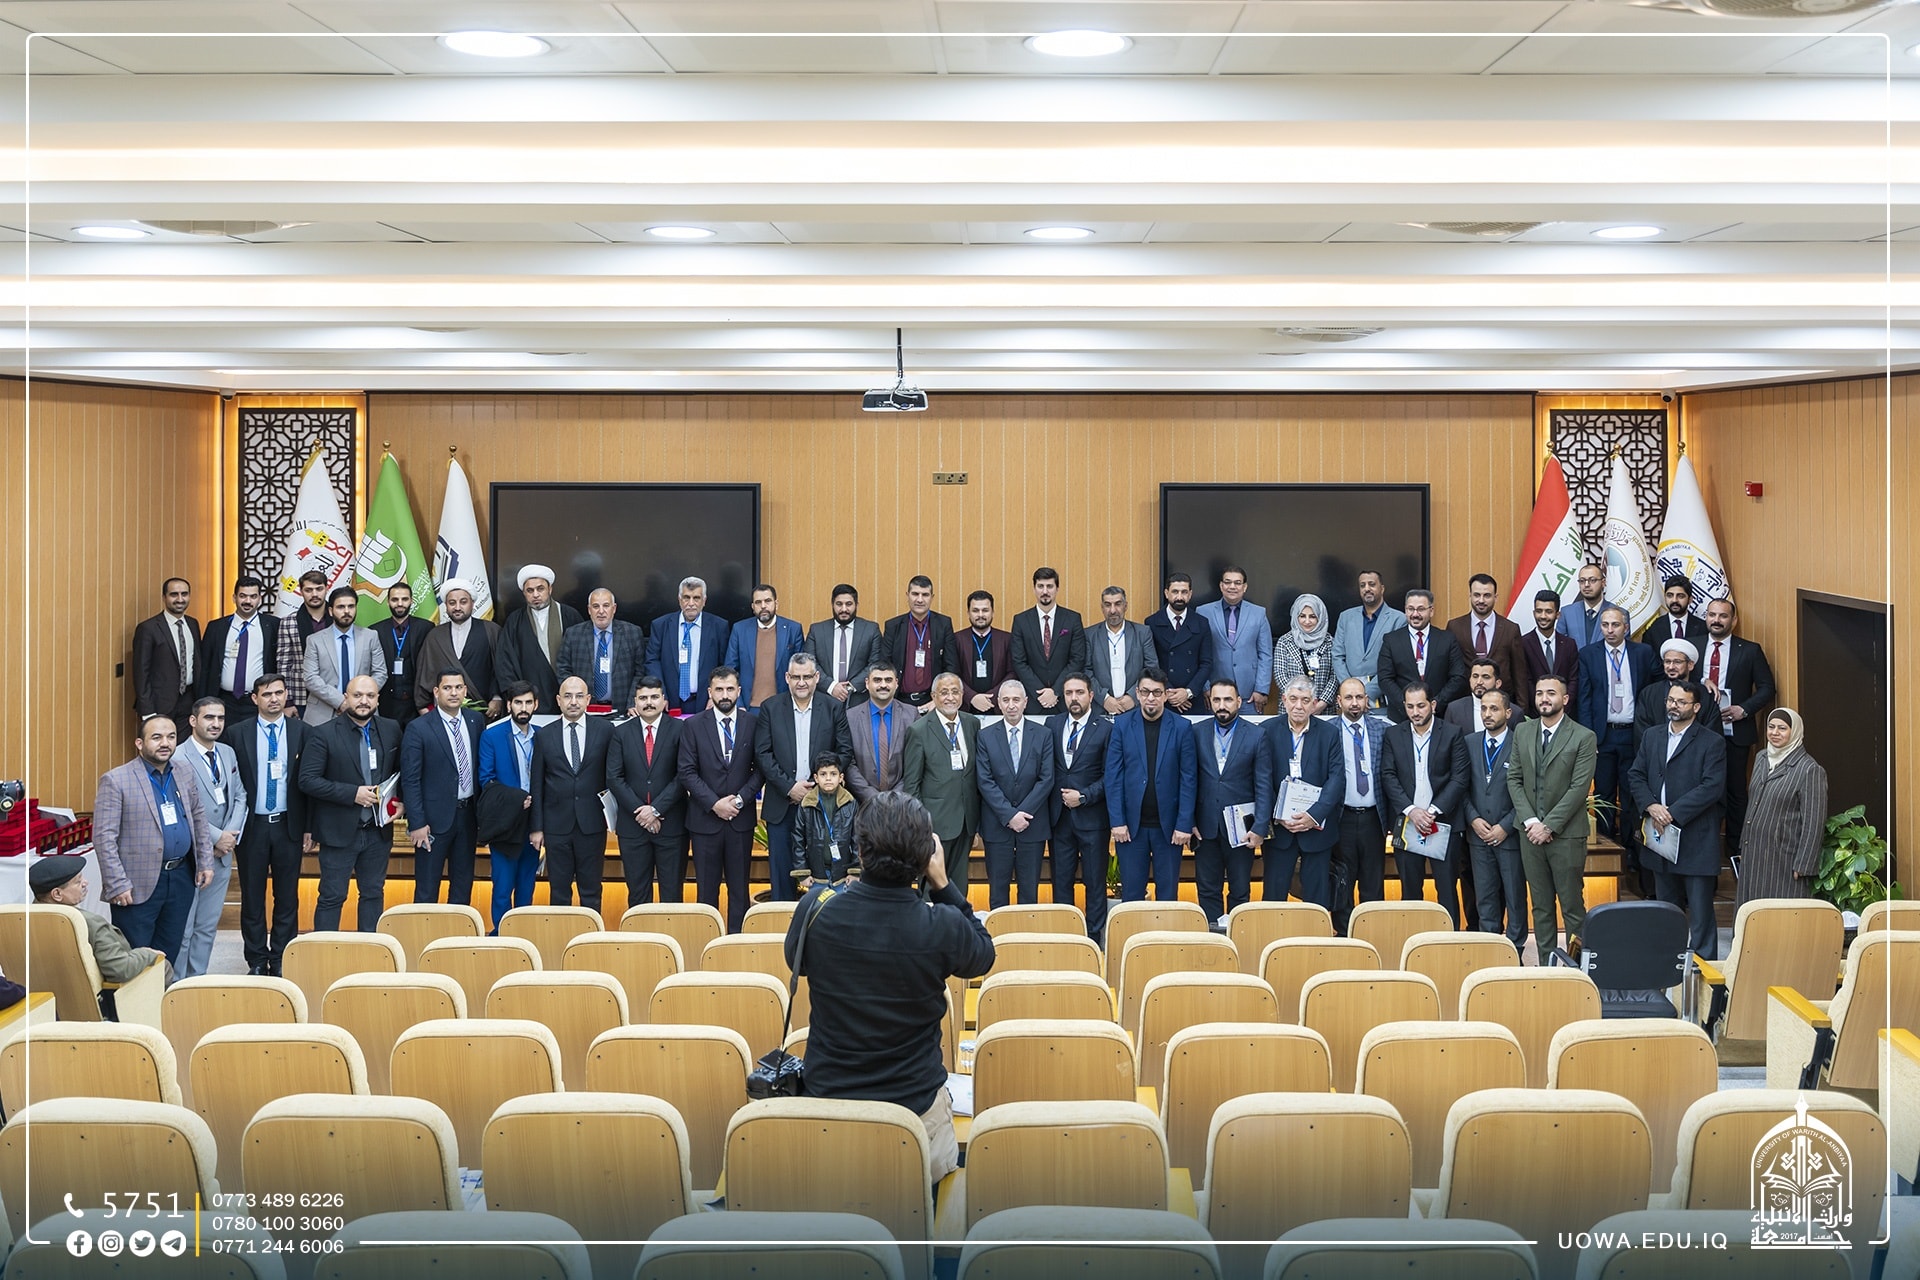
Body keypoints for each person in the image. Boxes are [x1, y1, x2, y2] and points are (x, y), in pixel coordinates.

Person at [786, 791, 995, 1185]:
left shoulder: (816, 909)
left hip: (828, 1110)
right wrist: (943, 882)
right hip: (915, 1116)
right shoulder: (941, 925)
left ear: (861, 852)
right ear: (925, 855)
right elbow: (982, 955)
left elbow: (798, 961)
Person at [93, 715, 215, 961]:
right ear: (139, 743)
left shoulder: (183, 772)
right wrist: (117, 883)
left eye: (171, 737)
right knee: (135, 957)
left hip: (181, 877)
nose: (165, 743)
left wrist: (205, 861)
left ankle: (163, 988)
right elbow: (104, 838)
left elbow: (198, 818)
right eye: (156, 737)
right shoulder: (116, 780)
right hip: (136, 883)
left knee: (169, 953)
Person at [1628, 681, 1728, 960]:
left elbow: (1712, 787)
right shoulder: (1652, 736)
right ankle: (1667, 960)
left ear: (1696, 707)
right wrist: (1651, 806)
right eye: (1670, 700)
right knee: (1666, 908)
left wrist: (1671, 812)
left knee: (1700, 910)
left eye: (1681, 702)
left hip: (1695, 837)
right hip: (1660, 837)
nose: (1673, 706)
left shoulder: (1711, 741)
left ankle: (1704, 966)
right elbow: (1636, 774)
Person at [222, 672, 310, 974]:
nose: (274, 699)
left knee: (287, 896)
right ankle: (257, 959)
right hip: (253, 826)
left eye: (279, 693)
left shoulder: (302, 731)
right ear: (255, 698)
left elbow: (307, 783)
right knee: (252, 896)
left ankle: (282, 957)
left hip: (288, 824)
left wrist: (309, 826)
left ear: (286, 695)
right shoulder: (237, 733)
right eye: (267, 694)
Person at [299, 675, 402, 932]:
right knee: (332, 896)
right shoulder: (323, 733)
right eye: (357, 695)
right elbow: (308, 780)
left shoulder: (391, 729)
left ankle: (371, 951)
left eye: (370, 696)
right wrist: (352, 793)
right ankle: (325, 952)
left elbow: (401, 772)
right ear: (346, 697)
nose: (364, 701)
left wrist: (402, 803)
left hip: (378, 831)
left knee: (373, 894)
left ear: (378, 699)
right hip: (339, 831)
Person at [1507, 674, 1599, 959]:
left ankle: (1578, 967)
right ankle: (1546, 966)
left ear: (1565, 699)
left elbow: (1579, 789)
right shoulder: (1522, 731)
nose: (1544, 698)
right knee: (1540, 905)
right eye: (1539, 693)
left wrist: (1548, 826)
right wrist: (1532, 822)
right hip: (1529, 834)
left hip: (1566, 835)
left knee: (1572, 906)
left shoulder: (1583, 736)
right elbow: (1514, 779)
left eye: (1551, 693)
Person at [753, 653, 855, 901]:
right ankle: (783, 923)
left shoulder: (833, 707)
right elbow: (762, 754)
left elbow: (844, 751)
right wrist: (790, 787)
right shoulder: (770, 708)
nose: (801, 682)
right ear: (787, 678)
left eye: (807, 677)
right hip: (782, 803)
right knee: (782, 878)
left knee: (824, 881)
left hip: (823, 805)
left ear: (817, 677)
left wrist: (817, 786)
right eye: (796, 677)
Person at [677, 666, 762, 931]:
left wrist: (739, 801)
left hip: (740, 819)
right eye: (719, 689)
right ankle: (708, 943)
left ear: (739, 691)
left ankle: (736, 944)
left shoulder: (753, 724)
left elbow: (761, 770)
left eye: (730, 689)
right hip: (705, 822)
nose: (725, 695)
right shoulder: (692, 725)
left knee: (740, 891)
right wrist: (715, 804)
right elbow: (686, 771)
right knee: (706, 892)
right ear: (709, 692)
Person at [1380, 682, 1470, 927]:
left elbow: (1460, 778)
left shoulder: (1452, 733)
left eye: (1421, 706)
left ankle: (1449, 939)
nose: (1415, 712)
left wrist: (1431, 811)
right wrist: (1411, 811)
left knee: (1447, 889)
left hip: (1443, 822)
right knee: (1410, 891)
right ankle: (1414, 939)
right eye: (1410, 707)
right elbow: (1388, 775)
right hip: (1407, 823)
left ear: (1433, 705)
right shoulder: (1393, 734)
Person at [1104, 667, 1197, 903]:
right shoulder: (1122, 725)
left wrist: (1184, 824)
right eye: (1145, 692)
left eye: (1157, 692)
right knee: (1132, 897)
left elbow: (1188, 779)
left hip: (1170, 830)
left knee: (1168, 897)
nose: (1151, 698)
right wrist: (1117, 821)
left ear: (1165, 695)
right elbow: (1113, 777)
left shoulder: (1182, 727)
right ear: (1137, 693)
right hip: (1130, 829)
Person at [1575, 605, 1657, 857]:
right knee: (1604, 795)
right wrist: (1589, 737)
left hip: (1634, 735)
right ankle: (1608, 848)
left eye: (1615, 625)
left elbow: (1657, 688)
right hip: (1603, 736)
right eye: (1605, 625)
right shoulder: (1588, 654)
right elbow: (1584, 700)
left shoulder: (1643, 653)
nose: (1610, 630)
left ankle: (1632, 853)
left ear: (1626, 627)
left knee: (1632, 793)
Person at [174, 697, 247, 980]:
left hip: (223, 854)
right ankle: (178, 984)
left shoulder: (227, 752)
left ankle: (197, 981)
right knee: (184, 928)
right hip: (192, 854)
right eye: (209, 718)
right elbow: (183, 808)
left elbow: (240, 796)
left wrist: (229, 835)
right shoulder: (178, 757)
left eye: (220, 718)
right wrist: (216, 837)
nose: (216, 723)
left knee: (206, 927)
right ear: (193, 721)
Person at [401, 667, 486, 908]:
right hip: (432, 822)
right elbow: (411, 779)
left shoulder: (476, 721)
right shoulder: (419, 728)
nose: (454, 693)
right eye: (447, 688)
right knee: (427, 890)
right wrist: (416, 823)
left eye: (458, 687)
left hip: (468, 817)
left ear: (465, 691)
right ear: (436, 692)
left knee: (462, 887)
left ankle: (457, 932)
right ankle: (424, 933)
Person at [1699, 597, 1776, 863]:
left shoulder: (1750, 650)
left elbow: (1767, 687)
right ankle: (1704, 851)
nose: (1716, 620)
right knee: (1702, 791)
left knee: (1735, 792)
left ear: (1734, 620)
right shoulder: (1693, 646)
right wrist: (1701, 681)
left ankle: (1735, 854)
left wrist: (1744, 709)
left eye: (1723, 616)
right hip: (1698, 733)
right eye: (1712, 615)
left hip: (1735, 733)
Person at [529, 675, 615, 911]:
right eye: (568, 696)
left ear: (588, 699)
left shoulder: (605, 731)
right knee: (559, 891)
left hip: (592, 824)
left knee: (591, 890)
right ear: (558, 700)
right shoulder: (544, 735)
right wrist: (537, 827)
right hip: (556, 826)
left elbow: (614, 776)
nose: (573, 701)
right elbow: (537, 783)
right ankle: (562, 934)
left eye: (579, 696)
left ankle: (592, 934)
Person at [1260, 676, 1345, 913]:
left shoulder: (1329, 733)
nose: (1299, 706)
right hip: (1280, 831)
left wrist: (1313, 816)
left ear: (1314, 703)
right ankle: (1274, 937)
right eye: (1294, 699)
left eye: (1305, 700)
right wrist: (1278, 815)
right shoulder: (1266, 731)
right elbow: (1261, 779)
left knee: (1317, 901)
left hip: (1316, 830)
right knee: (1274, 899)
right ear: (1284, 700)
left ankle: (1315, 938)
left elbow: (1336, 779)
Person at [1193, 679, 1272, 926]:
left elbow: (1263, 784)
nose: (1222, 705)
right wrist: (1188, 821)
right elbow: (1188, 780)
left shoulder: (1257, 735)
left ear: (1238, 702)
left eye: (1228, 699)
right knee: (1207, 889)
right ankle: (1212, 940)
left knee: (1239, 890)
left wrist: (1260, 827)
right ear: (1210, 702)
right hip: (1205, 826)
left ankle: (1239, 937)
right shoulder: (1196, 732)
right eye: (1216, 700)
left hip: (1242, 829)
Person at [606, 675, 690, 905]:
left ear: (664, 701)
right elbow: (614, 777)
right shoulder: (621, 733)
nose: (649, 702)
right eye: (643, 698)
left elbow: (684, 775)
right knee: (637, 894)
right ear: (635, 701)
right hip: (633, 827)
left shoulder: (681, 729)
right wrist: (642, 812)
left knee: (672, 894)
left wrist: (656, 810)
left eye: (654, 697)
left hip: (671, 825)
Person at [30, 855, 167, 988]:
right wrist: (145, 954)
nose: (85, 883)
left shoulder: (22, 919)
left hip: (42, 995)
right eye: (78, 881)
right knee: (164, 966)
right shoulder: (90, 923)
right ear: (57, 894)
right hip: (100, 997)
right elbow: (119, 970)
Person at [1736, 709, 1830, 905]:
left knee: (1778, 913)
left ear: (1794, 731)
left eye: (1782, 728)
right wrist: (1744, 844)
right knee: (1751, 911)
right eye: (1771, 727)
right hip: (1753, 852)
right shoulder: (1762, 757)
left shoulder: (1809, 769)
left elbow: (1814, 822)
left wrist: (1804, 864)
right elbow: (1753, 803)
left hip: (1784, 858)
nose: (1775, 733)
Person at [975, 679, 1055, 909]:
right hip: (997, 825)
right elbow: (985, 780)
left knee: (1029, 892)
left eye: (1016, 700)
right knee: (997, 892)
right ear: (999, 703)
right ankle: (997, 933)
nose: (1011, 705)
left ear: (1025, 702)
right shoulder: (985, 736)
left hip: (1032, 824)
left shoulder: (1043, 734)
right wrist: (1009, 815)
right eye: (1006, 700)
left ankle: (1027, 932)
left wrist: (1023, 813)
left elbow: (1046, 779)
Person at [899, 673, 981, 895]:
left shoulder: (972, 724)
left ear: (962, 695)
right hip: (934, 824)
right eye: (944, 692)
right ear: (933, 696)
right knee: (931, 887)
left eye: (955, 692)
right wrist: (920, 826)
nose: (950, 697)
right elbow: (912, 785)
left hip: (966, 822)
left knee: (959, 887)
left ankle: (957, 918)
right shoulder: (918, 730)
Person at [1049, 673, 1113, 941]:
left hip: (1092, 819)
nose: (1074, 698)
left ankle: (1094, 940)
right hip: (1059, 818)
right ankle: (1066, 938)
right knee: (1061, 881)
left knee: (1095, 883)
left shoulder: (1106, 728)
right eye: (1068, 693)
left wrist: (1084, 796)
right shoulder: (1052, 724)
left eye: (1079, 692)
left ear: (1091, 695)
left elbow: (1111, 776)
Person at [1328, 677, 1391, 935]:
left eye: (1359, 697)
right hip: (1341, 817)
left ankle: (1372, 934)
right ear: (1339, 701)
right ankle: (1344, 937)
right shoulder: (1328, 731)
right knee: (1342, 881)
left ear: (1366, 700)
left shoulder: (1382, 730)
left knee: (1373, 882)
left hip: (1374, 818)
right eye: (1349, 697)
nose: (1354, 703)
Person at [1463, 688, 1525, 949]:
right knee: (1485, 898)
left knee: (1515, 897)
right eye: (1484, 708)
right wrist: (1473, 819)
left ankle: (1516, 950)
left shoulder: (1521, 743)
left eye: (1494, 708)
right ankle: (1489, 949)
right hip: (1478, 836)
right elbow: (1461, 787)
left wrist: (1506, 826)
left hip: (1509, 836)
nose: (1487, 714)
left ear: (1508, 713)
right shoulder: (1469, 742)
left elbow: (1529, 792)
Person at [476, 681, 541, 926]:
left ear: (536, 705)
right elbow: (487, 780)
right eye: (518, 703)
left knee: (527, 886)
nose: (523, 708)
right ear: (509, 705)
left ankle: (522, 936)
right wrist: (517, 801)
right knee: (502, 889)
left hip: (533, 823)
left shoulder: (542, 736)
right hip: (505, 822)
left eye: (528, 702)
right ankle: (501, 937)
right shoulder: (492, 736)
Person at [495, 564, 583, 715]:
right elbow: (505, 663)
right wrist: (515, 695)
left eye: (540, 589)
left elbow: (584, 657)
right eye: (530, 590)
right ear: (524, 593)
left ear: (550, 589)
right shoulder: (514, 621)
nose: (535, 594)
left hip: (568, 698)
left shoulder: (569, 615)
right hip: (528, 701)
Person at [302, 586, 389, 727]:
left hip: (363, 710)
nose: (347, 611)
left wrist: (359, 699)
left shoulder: (370, 636)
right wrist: (341, 702)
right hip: (323, 713)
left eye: (351, 606)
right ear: (331, 611)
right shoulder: (315, 640)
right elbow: (310, 678)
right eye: (341, 607)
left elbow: (380, 673)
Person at [412, 580, 501, 718]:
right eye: (452, 603)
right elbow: (424, 675)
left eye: (463, 602)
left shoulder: (491, 631)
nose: (457, 607)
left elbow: (501, 669)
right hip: (444, 714)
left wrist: (497, 698)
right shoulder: (435, 636)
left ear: (472, 603)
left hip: (485, 713)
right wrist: (426, 713)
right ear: (446, 606)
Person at [1378, 589, 1466, 722]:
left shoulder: (1447, 640)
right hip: (1402, 718)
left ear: (1431, 611)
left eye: (1421, 609)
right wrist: (1408, 706)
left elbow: (1458, 677)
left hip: (1439, 716)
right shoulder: (1391, 640)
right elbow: (1385, 678)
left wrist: (1435, 703)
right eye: (1410, 609)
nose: (1415, 614)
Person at [201, 576, 280, 721]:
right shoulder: (216, 627)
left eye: (253, 596)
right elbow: (204, 666)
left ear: (260, 599)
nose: (248, 601)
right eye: (243, 596)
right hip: (223, 701)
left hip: (259, 701)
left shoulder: (274, 626)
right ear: (234, 598)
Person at [645, 576, 728, 715]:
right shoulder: (661, 625)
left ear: (704, 601)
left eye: (696, 598)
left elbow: (724, 665)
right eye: (686, 597)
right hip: (668, 702)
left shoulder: (719, 626)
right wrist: (659, 693)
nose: (691, 603)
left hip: (706, 703)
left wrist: (716, 695)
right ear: (679, 600)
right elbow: (652, 661)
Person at [1009, 566, 1087, 712]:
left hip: (1064, 700)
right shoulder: (1021, 620)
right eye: (1040, 586)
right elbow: (1018, 661)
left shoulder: (1072, 619)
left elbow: (1077, 659)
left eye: (1050, 586)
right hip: (1033, 701)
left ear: (1057, 589)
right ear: (1034, 589)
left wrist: (1056, 691)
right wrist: (1041, 693)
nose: (1045, 591)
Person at [557, 588, 647, 710]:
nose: (601, 611)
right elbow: (563, 669)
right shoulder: (573, 634)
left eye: (606, 606)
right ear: (589, 610)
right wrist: (575, 699)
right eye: (595, 606)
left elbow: (640, 672)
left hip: (623, 707)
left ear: (614, 608)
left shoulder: (632, 633)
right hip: (584, 708)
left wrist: (632, 702)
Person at [1197, 566, 1273, 707]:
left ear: (1244, 587)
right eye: (1227, 582)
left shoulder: (1259, 613)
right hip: (1215, 693)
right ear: (1221, 586)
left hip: (1250, 695)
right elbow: (1197, 652)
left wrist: (1261, 689)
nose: (1232, 586)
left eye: (1237, 583)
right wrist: (1205, 687)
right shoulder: (1203, 612)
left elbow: (1265, 654)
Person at [1332, 569, 1407, 710]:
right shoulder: (1345, 617)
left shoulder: (1399, 620)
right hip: (1349, 698)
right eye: (1362, 585)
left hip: (1382, 696)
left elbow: (1397, 662)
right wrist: (1350, 690)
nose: (1367, 588)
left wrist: (1367, 693)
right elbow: (1337, 655)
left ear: (1382, 588)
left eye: (1372, 584)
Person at [884, 576, 962, 708]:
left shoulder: (943, 624)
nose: (920, 600)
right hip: (899, 701)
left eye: (925, 595)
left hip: (933, 701)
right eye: (915, 594)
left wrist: (938, 700)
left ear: (932, 597)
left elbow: (951, 666)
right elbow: (885, 664)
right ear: (907, 595)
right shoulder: (893, 626)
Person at [132, 576, 200, 728]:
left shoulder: (193, 624)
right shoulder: (148, 628)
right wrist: (147, 711)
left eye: (184, 594)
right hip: (159, 704)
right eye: (174, 594)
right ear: (164, 597)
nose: (180, 599)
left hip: (189, 701)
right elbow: (141, 673)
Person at [725, 583, 807, 708]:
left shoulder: (793, 629)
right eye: (758, 602)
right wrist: (739, 705)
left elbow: (800, 669)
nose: (763, 606)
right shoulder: (739, 629)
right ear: (753, 607)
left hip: (782, 707)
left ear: (776, 604)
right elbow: (730, 670)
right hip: (748, 707)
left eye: (767, 601)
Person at [1444, 573, 1524, 700]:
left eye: (1487, 595)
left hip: (1501, 701)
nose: (1481, 600)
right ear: (1470, 595)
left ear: (1495, 597)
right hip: (1465, 701)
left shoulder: (1510, 629)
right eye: (1477, 595)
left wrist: (1522, 708)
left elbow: (1519, 674)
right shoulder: (1455, 627)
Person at [845, 663, 917, 803]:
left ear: (896, 683)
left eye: (888, 680)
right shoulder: (850, 717)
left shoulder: (911, 715)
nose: (883, 685)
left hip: (901, 803)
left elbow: (914, 762)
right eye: (877, 680)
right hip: (863, 803)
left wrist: (894, 797)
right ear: (867, 683)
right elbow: (849, 763)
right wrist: (872, 797)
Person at [1145, 572, 1213, 713]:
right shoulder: (1152, 622)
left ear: (1190, 594)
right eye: (1175, 592)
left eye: (1184, 592)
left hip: (1193, 699)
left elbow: (1206, 663)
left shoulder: (1201, 623)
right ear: (1166, 593)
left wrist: (1188, 692)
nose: (1180, 597)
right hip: (1163, 697)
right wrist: (1169, 692)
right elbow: (1152, 663)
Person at [1086, 587, 1159, 715]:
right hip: (1101, 709)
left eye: (1118, 604)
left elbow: (1151, 669)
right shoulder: (1090, 634)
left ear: (1125, 606)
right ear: (1102, 607)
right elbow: (1086, 670)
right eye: (1107, 605)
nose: (1113, 610)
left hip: (1135, 708)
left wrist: (1133, 696)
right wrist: (1104, 698)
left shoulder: (1142, 633)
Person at [805, 583, 881, 704]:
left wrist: (849, 687)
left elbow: (875, 664)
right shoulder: (816, 630)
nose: (844, 609)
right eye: (839, 604)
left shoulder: (871, 630)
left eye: (849, 604)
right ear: (832, 604)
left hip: (859, 700)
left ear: (856, 605)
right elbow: (810, 664)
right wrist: (831, 686)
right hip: (824, 699)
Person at [275, 568, 335, 716]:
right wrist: (287, 702)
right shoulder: (289, 622)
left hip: (335, 693)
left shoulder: (337, 620)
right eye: (308, 590)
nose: (314, 594)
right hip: (300, 697)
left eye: (319, 589)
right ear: (301, 591)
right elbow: (284, 665)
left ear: (327, 589)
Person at [794, 752, 860, 886]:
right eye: (823, 774)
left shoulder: (850, 803)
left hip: (843, 875)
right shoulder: (807, 804)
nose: (828, 778)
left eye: (833, 774)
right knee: (818, 900)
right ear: (816, 778)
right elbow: (798, 839)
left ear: (841, 777)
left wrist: (855, 871)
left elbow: (858, 839)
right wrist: (803, 873)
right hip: (816, 874)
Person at [370, 582, 430, 724]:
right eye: (395, 599)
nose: (400, 604)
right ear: (388, 602)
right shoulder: (375, 631)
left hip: (416, 704)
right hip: (386, 703)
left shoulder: (426, 628)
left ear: (411, 601)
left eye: (404, 599)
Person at [1516, 590, 1579, 718]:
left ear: (1558, 614)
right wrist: (1542, 705)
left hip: (1565, 714)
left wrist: (1562, 706)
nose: (1543, 616)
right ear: (1534, 613)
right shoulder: (1523, 643)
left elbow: (1573, 679)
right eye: (1539, 611)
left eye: (1548, 611)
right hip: (1536, 715)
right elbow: (1524, 681)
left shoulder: (1569, 644)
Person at [1272, 593, 1337, 715]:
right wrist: (1300, 702)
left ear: (1320, 617)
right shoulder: (1284, 642)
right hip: (1292, 709)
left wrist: (1322, 703)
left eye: (1312, 616)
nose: (1307, 621)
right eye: (1302, 616)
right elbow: (1280, 676)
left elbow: (1334, 676)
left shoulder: (1330, 642)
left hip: (1323, 710)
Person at [1636, 640, 1711, 739]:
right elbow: (1641, 733)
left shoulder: (1704, 694)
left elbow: (1711, 735)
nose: (1671, 667)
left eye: (1677, 662)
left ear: (1690, 665)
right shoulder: (1648, 693)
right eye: (1667, 662)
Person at [957, 590, 1015, 713]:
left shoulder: (1006, 639)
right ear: (968, 613)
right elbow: (953, 674)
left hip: (997, 707)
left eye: (985, 610)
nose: (980, 615)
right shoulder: (957, 639)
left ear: (992, 612)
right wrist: (972, 697)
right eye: (975, 610)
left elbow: (1012, 673)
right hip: (966, 707)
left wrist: (992, 697)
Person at [1557, 563, 1619, 650]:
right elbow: (1559, 649)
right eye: (1582, 581)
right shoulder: (1567, 613)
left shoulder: (1619, 614)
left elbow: (1621, 649)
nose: (1586, 584)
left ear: (1603, 582)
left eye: (1592, 580)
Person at [1644, 576, 1708, 649]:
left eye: (1680, 596)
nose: (1674, 600)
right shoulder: (1654, 628)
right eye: (1670, 596)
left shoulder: (1703, 628)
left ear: (1690, 599)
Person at [1445, 659, 1505, 734]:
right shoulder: (1454, 709)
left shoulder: (1514, 712)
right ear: (1470, 679)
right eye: (1475, 676)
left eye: (1486, 677)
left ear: (1498, 683)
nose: (1479, 682)